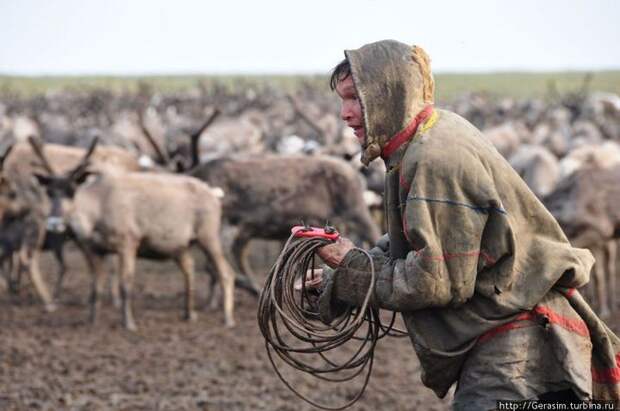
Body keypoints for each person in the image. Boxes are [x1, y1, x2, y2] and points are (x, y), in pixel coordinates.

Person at [305, 39, 620, 410]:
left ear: (389, 92)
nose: (344, 113)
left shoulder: (434, 159)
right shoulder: (427, 136)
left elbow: (434, 281)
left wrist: (351, 267)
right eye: (341, 100)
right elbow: (414, 240)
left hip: (518, 352)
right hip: (510, 338)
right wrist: (337, 280)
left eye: (354, 98)